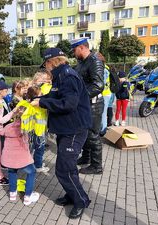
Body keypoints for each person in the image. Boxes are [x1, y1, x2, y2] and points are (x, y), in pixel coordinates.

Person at [31, 48, 92, 219]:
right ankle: (72, 194)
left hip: (74, 129)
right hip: (66, 129)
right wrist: (39, 98)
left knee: (63, 169)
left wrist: (42, 103)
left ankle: (81, 200)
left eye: (46, 65)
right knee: (68, 167)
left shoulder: (68, 76)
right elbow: (55, 94)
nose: (46, 68)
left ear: (52, 62)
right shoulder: (60, 76)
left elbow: (68, 104)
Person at [71, 38, 105, 174]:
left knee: (92, 135)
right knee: (84, 132)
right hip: (86, 104)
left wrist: (80, 97)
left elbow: (98, 85)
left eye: (74, 50)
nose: (73, 53)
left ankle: (97, 166)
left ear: (81, 47)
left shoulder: (94, 61)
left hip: (94, 104)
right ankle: (86, 158)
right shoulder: (81, 62)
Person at [1, 119, 40, 205]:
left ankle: (12, 194)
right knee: (32, 172)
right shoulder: (26, 127)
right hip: (21, 158)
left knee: (12, 171)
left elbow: (1, 133)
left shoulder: (7, 127)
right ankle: (27, 197)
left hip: (9, 158)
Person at [95, 52, 111, 137]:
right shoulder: (106, 67)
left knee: (103, 113)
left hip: (105, 94)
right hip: (106, 93)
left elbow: (102, 83)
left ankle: (103, 130)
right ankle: (102, 129)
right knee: (102, 112)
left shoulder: (103, 69)